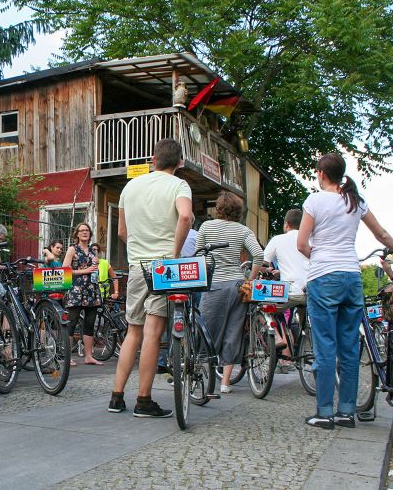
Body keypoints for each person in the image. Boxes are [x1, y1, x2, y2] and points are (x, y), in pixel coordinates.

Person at [297, 151, 393, 429]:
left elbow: (301, 243)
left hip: (324, 277)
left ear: (321, 174)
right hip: (351, 277)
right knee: (349, 348)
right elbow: (380, 234)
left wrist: (320, 258)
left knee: (324, 347)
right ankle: (347, 412)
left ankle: (324, 413)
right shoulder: (355, 201)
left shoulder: (315, 200)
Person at [109, 138, 193, 418]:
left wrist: (136, 249)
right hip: (162, 267)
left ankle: (116, 397)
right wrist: (175, 253)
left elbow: (122, 230)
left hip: (136, 267)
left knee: (133, 330)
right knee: (153, 334)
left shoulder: (130, 186)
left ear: (153, 160)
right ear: (179, 162)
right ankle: (144, 401)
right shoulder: (179, 185)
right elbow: (185, 217)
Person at [197, 192, 263, 394]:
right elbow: (259, 254)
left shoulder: (206, 226)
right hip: (237, 285)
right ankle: (225, 383)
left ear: (218, 208)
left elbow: (200, 254)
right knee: (233, 331)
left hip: (214, 284)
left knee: (206, 331)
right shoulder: (243, 230)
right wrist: (250, 280)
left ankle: (201, 376)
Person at [263, 208, 310, 371]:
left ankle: (276, 337)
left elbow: (263, 263)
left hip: (290, 293)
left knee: (263, 308)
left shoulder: (278, 239)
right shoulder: (310, 238)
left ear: (287, 224)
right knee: (311, 325)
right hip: (311, 291)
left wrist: (266, 271)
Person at [63, 223, 104, 366]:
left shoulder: (93, 250)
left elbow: (94, 268)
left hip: (91, 289)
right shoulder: (72, 249)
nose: (85, 233)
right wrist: (85, 271)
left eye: (87, 230)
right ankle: (67, 357)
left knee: (89, 323)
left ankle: (88, 356)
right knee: (71, 323)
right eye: (82, 231)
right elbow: (65, 270)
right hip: (76, 289)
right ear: (77, 234)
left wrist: (95, 267)